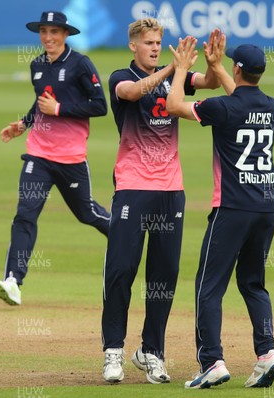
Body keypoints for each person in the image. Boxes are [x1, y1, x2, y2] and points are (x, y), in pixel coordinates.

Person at [101, 18, 220, 384]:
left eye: (158, 42)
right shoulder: (120, 75)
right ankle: (113, 352)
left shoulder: (176, 76)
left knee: (164, 276)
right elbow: (134, 92)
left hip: (171, 189)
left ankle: (152, 352)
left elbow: (211, 84)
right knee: (121, 270)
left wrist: (214, 63)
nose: (154, 47)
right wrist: (175, 68)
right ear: (133, 46)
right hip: (133, 187)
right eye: (148, 43)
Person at [166, 30, 274, 389]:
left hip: (232, 207)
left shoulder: (222, 107)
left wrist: (181, 69)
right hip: (268, 206)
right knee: (253, 284)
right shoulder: (272, 106)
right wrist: (217, 67)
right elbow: (243, 102)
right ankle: (267, 353)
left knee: (208, 286)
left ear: (237, 68)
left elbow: (173, 106)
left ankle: (211, 361)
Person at [0, 11, 110, 306]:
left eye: (54, 32)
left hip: (71, 159)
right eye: (44, 32)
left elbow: (100, 106)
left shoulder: (81, 64)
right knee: (25, 214)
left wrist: (59, 109)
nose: (48, 38)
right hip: (38, 156)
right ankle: (13, 281)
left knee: (88, 214)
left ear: (65, 34)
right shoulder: (37, 65)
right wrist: (23, 123)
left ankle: (128, 236)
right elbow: (42, 100)